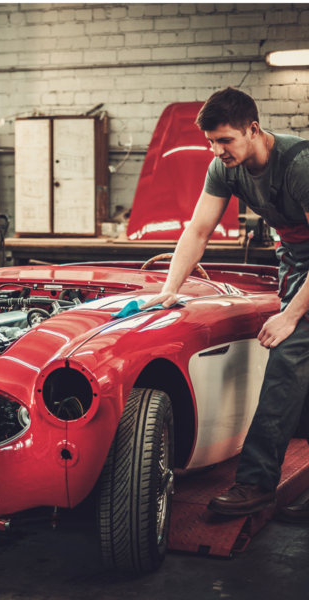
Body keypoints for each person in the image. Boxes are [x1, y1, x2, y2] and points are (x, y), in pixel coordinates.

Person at [142, 86, 309, 520]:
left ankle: (255, 483)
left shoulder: (299, 165)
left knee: (289, 354)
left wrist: (291, 315)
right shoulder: (224, 169)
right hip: (294, 256)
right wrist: (169, 289)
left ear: (253, 130)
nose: (217, 151)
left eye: (225, 140)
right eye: (211, 142)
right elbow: (198, 230)